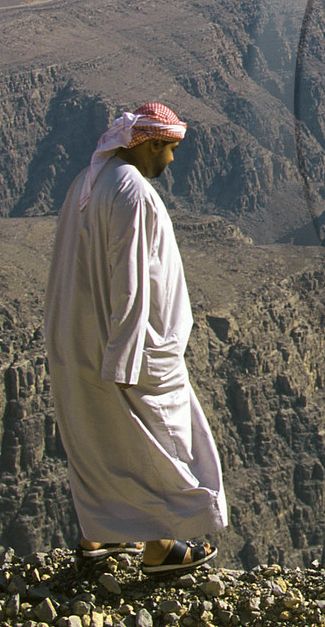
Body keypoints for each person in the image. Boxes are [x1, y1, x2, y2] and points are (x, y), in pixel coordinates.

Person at [45, 103, 227, 573]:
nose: (171, 161)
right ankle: (161, 546)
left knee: (99, 441)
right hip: (131, 350)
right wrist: (125, 360)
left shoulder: (88, 184)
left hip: (82, 339)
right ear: (148, 144)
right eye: (169, 150)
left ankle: (97, 537)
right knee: (159, 445)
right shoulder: (132, 193)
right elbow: (131, 280)